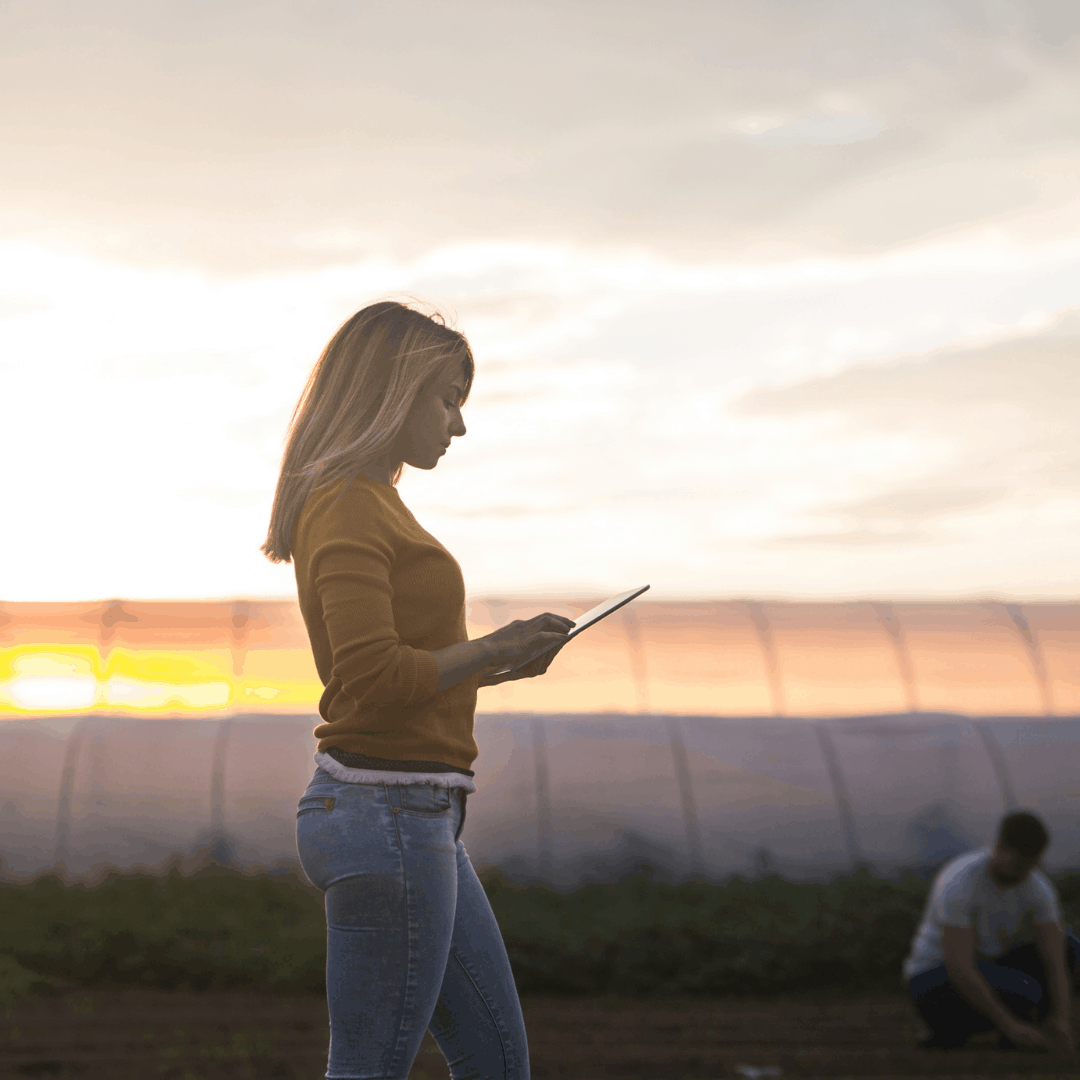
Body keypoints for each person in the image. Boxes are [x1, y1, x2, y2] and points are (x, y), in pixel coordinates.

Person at [261, 299, 573, 1080]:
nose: (457, 427)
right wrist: (492, 646)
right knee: (369, 1069)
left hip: (418, 812)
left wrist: (499, 662)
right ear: (390, 392)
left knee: (498, 1063)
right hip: (386, 812)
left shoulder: (371, 502)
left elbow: (407, 672)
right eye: (447, 401)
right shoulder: (345, 505)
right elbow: (369, 678)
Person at [904, 810, 1078, 1054]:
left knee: (1069, 947)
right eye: (1019, 862)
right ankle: (951, 1028)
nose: (1023, 872)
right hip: (932, 976)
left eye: (1031, 864)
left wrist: (1061, 1019)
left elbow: (1056, 962)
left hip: (987, 966)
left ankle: (1040, 1031)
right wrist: (1009, 1025)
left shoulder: (1038, 889)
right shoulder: (959, 881)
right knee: (1025, 991)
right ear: (999, 847)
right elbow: (958, 965)